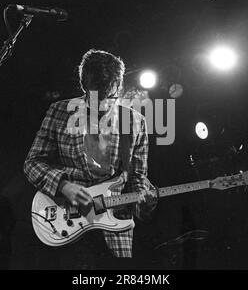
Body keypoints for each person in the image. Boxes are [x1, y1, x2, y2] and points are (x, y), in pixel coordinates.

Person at [24, 49, 157, 269]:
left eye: (110, 97)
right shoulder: (59, 112)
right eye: (95, 98)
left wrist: (145, 200)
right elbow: (32, 163)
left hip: (115, 232)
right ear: (84, 86)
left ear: (119, 87)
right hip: (66, 224)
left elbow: (137, 177)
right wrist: (64, 186)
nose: (103, 105)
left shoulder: (135, 122)